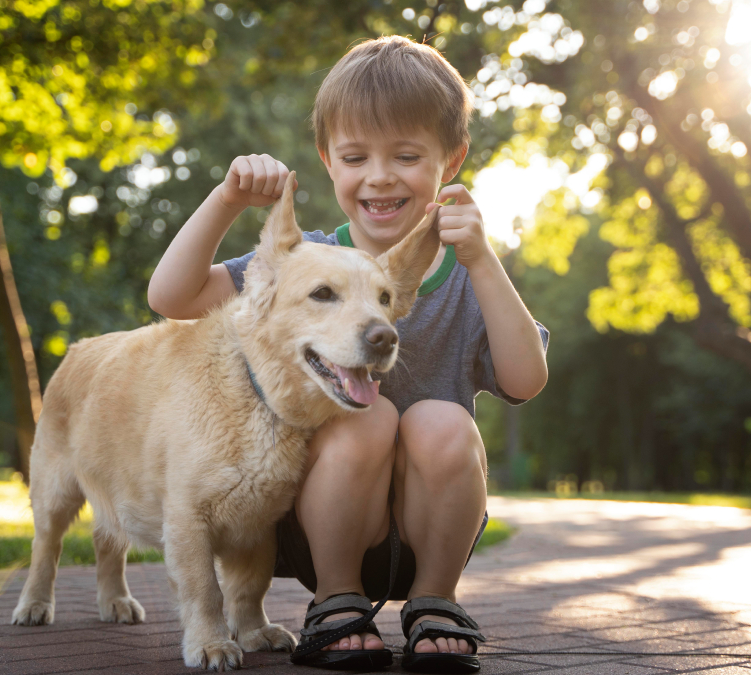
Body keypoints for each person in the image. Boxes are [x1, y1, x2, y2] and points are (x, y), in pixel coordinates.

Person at [147, 36, 549, 673]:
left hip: (429, 533)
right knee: (369, 416)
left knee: (440, 419)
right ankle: (335, 604)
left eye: (408, 155)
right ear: (327, 161)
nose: (381, 175)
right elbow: (173, 296)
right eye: (356, 155)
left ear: (453, 158)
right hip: (318, 532)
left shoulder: (471, 272)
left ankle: (436, 602)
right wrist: (227, 199)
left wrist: (483, 259)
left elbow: (525, 381)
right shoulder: (301, 261)